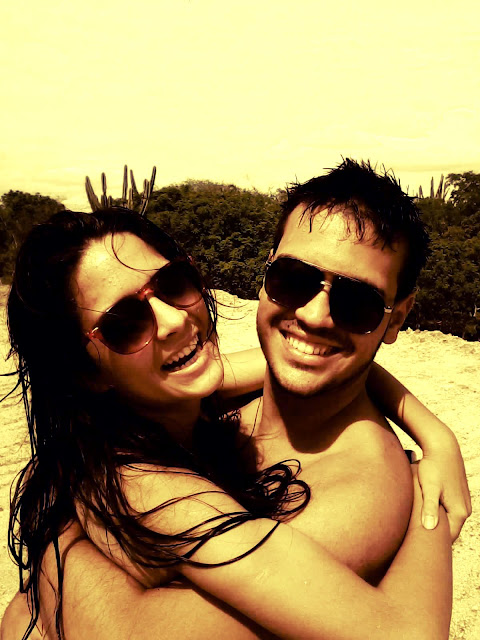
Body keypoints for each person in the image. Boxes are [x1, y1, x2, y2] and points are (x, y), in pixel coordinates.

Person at [0, 161, 469, 639]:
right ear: (266, 272)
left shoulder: (358, 492)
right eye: (294, 279)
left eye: (358, 304)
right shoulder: (201, 396)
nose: (314, 316)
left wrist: (57, 542)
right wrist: (431, 430)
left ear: (396, 319)